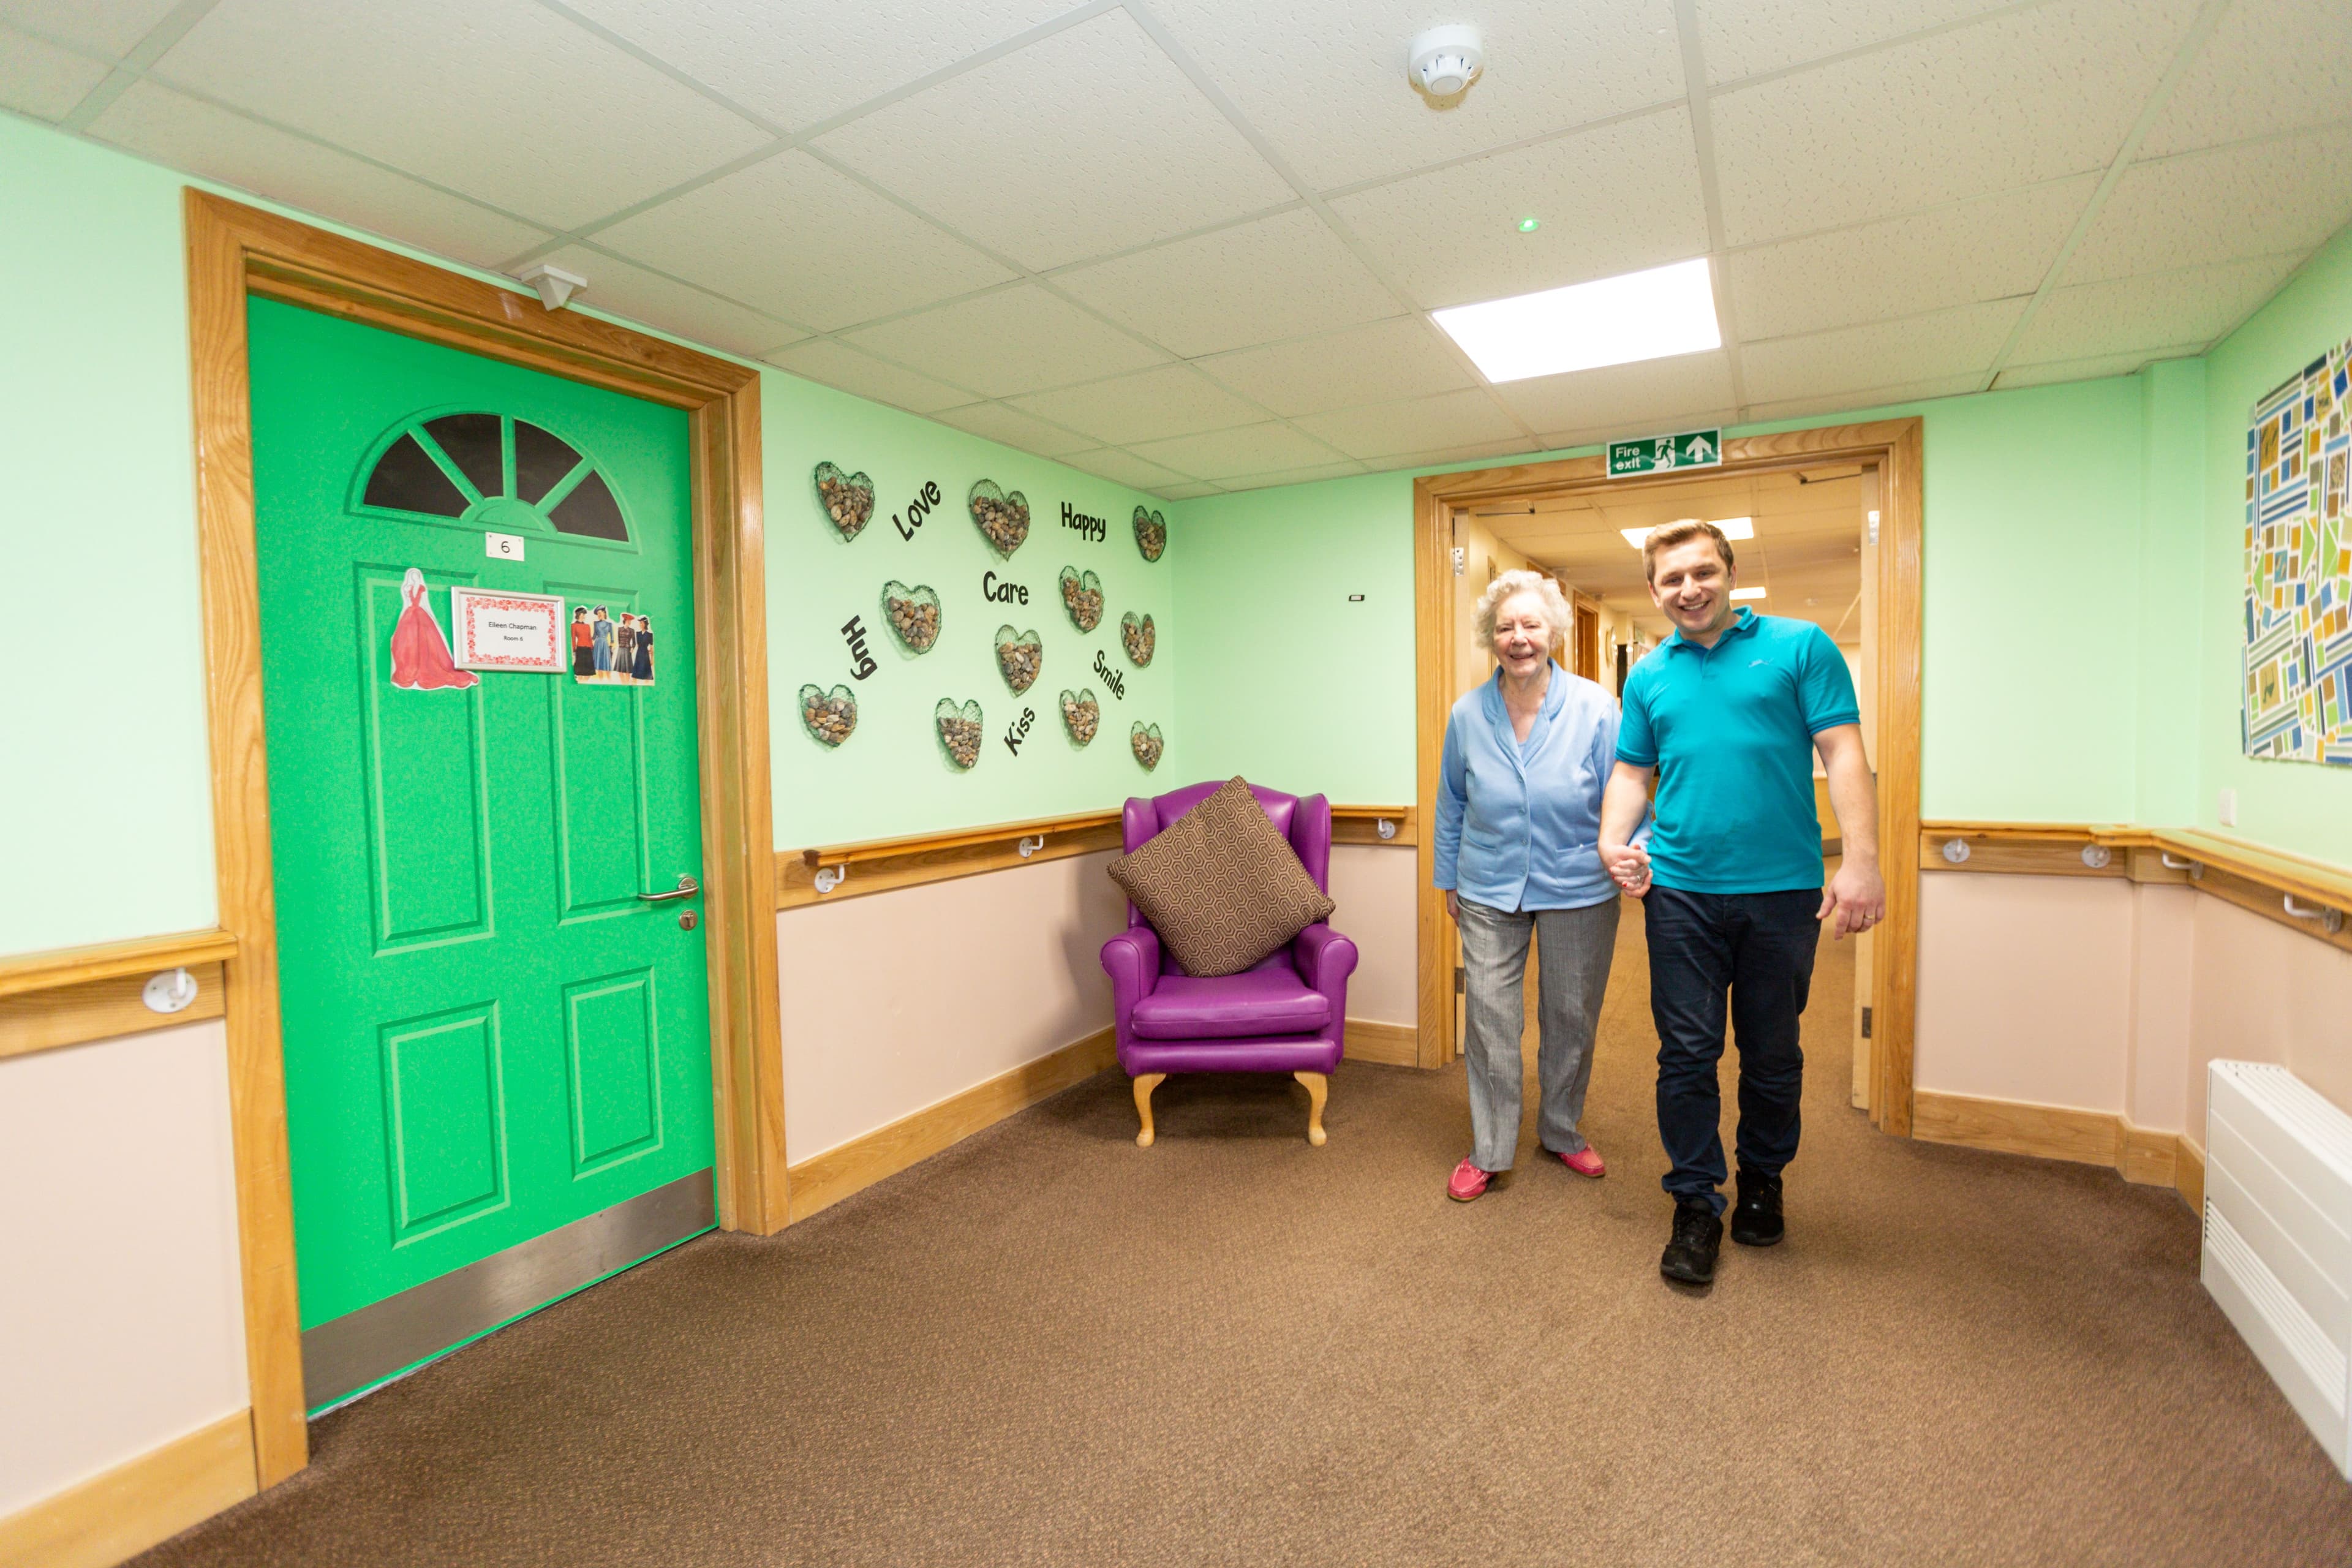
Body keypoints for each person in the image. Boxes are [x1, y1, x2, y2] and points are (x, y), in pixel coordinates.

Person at [1597, 519, 1883, 1287]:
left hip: (1782, 892)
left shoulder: (1800, 647)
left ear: (1730, 573)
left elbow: (1844, 753)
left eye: (1701, 572)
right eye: (1670, 579)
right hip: (1680, 893)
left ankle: (1763, 1177)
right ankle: (1695, 1200)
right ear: (1654, 591)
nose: (1688, 589)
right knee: (1685, 1053)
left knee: (1772, 1052)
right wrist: (1610, 840)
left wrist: (1861, 861)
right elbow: (1631, 773)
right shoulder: (1650, 674)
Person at [1434, 569, 1645, 1202]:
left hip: (1578, 884)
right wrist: (1448, 879)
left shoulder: (1595, 707)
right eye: (1504, 627)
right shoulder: (1467, 714)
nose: (1518, 638)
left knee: (1570, 1014)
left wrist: (1636, 848)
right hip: (1487, 885)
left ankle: (1561, 1129)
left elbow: (1625, 791)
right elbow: (1451, 802)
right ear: (1490, 638)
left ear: (1552, 631)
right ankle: (1490, 1147)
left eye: (1529, 625)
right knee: (1490, 1019)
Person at [571, 605, 594, 678]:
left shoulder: (587, 626)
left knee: (589, 670)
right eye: (583, 614)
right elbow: (573, 638)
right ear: (579, 615)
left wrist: (592, 647)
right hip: (580, 647)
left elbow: (589, 637)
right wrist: (574, 649)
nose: (584, 616)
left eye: (585, 614)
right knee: (580, 669)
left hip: (588, 648)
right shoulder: (574, 625)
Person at [591, 606, 614, 678]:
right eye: (598, 614)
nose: (599, 615)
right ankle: (601, 681)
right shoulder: (596, 623)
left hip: (605, 645)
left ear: (604, 613)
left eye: (600, 613)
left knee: (606, 666)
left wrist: (611, 648)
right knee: (598, 667)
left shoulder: (609, 624)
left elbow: (612, 638)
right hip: (597, 644)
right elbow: (594, 636)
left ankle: (609, 681)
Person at [631, 613, 654, 683]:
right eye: (640, 623)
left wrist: (652, 659)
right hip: (638, 655)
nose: (640, 625)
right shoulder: (637, 633)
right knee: (635, 675)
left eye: (641, 623)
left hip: (645, 655)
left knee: (647, 676)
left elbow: (652, 648)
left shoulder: (650, 635)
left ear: (645, 624)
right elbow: (637, 645)